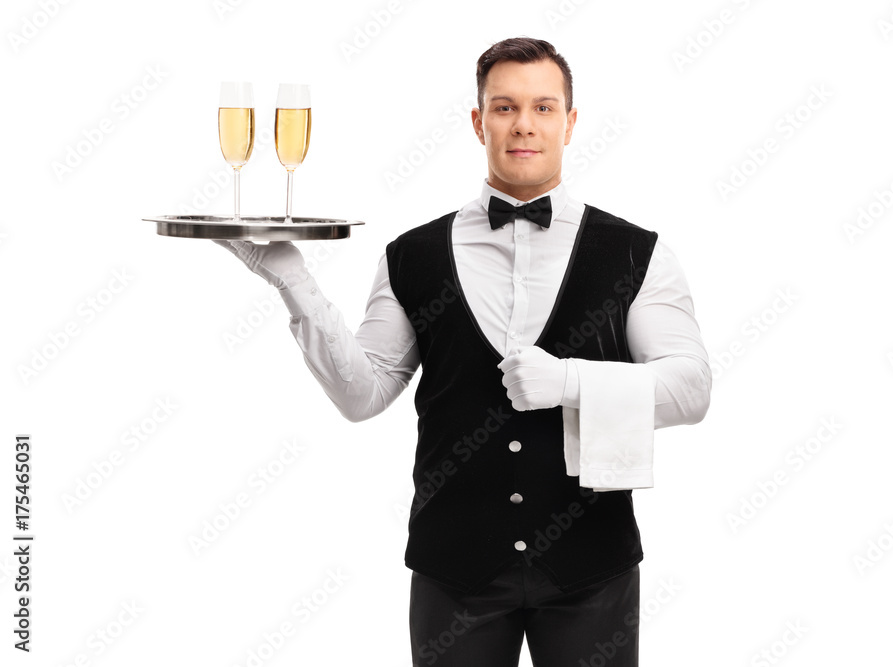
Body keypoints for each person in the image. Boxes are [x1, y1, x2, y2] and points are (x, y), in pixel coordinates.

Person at [217, 36, 711, 667]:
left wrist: (568, 382)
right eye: (504, 108)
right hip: (455, 571)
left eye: (543, 107)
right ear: (479, 122)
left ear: (570, 122)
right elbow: (362, 395)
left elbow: (692, 388)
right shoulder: (411, 255)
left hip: (592, 567)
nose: (524, 124)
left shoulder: (639, 255)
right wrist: (292, 279)